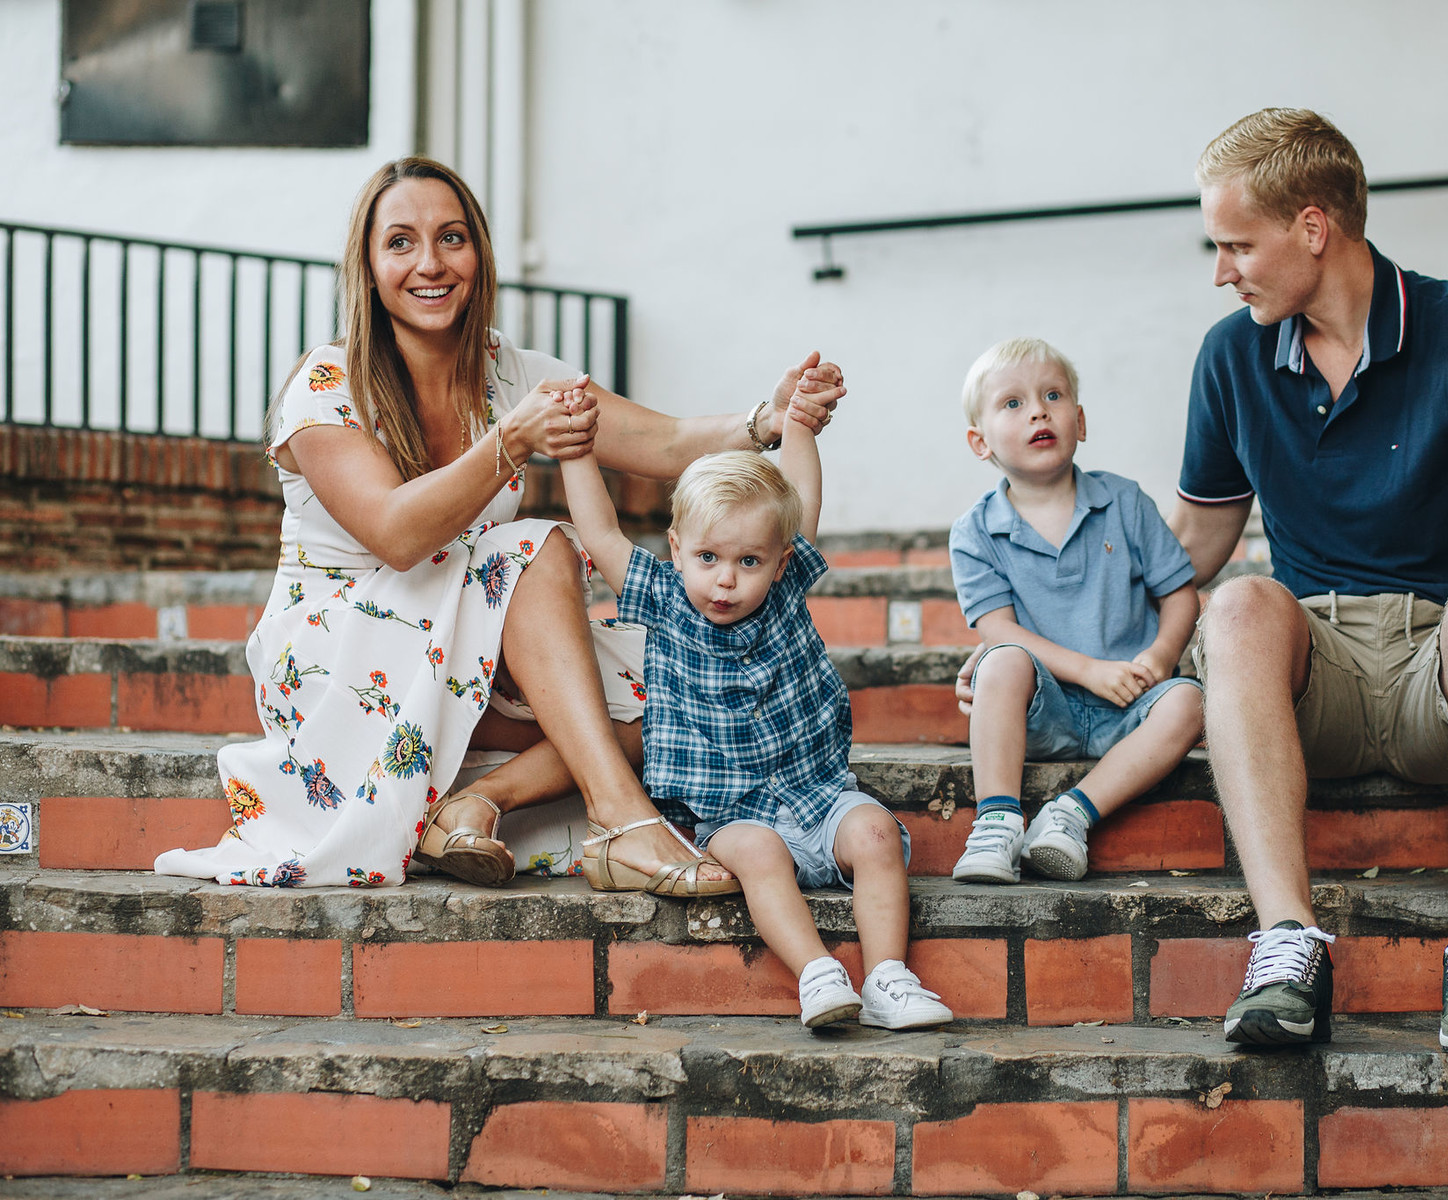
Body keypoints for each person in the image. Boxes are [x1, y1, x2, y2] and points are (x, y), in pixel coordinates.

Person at [154, 156, 841, 893]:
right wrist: (509, 441)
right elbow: (396, 532)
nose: (430, 263)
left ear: (478, 253)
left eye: (451, 237)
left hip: (472, 650)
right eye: (400, 242)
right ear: (368, 263)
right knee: (532, 545)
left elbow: (665, 442)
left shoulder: (506, 371)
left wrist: (767, 420)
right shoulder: (327, 384)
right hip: (340, 656)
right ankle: (623, 821)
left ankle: (474, 804)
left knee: (679, 682)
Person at [1169, 109, 1448, 1056]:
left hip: (1444, 675)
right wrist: (1038, 643)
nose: (1221, 270)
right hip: (1313, 677)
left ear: (1312, 228)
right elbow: (1193, 545)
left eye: (1237, 244)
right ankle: (1286, 950)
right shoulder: (1232, 355)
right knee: (1237, 601)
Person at [556, 373, 954, 1031]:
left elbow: (799, 498)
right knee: (760, 857)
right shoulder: (663, 600)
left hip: (819, 793)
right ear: (677, 550)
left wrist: (798, 421)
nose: (725, 579)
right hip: (730, 812)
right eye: (708, 557)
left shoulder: (787, 591)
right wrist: (575, 450)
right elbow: (600, 534)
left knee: (877, 833)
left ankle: (888, 977)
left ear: (779, 560)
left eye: (748, 561)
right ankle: (818, 973)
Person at [948, 338, 1205, 885]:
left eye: (1053, 395)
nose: (1038, 410)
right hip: (1048, 709)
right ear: (980, 441)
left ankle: (1070, 815)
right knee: (1001, 659)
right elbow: (997, 629)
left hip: (1133, 703)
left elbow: (1181, 594)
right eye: (1012, 403)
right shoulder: (975, 532)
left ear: (1080, 421)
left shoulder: (1125, 502)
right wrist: (1089, 671)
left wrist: (1161, 656)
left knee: (1190, 702)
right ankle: (996, 821)